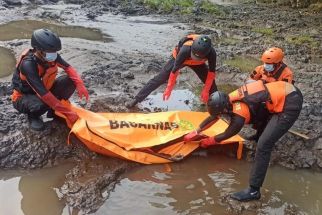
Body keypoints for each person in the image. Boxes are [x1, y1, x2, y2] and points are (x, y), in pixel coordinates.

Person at [184, 80, 303, 201]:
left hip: (290, 102)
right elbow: (214, 116)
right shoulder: (227, 99)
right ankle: (259, 135)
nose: (220, 116)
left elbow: (227, 134)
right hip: (281, 90)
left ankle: (254, 191)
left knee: (263, 146)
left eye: (221, 114)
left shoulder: (240, 115)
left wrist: (208, 142)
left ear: (224, 110)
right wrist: (196, 131)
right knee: (260, 114)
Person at [11, 28, 89, 131]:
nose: (54, 54)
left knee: (71, 81)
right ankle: (33, 116)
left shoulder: (50, 56)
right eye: (50, 51)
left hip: (44, 89)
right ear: (39, 49)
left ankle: (54, 111)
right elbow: (43, 94)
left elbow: (68, 68)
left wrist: (80, 84)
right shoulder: (28, 64)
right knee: (41, 103)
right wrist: (67, 112)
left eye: (55, 51)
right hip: (24, 96)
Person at [126, 34, 218, 108]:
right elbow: (174, 71)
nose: (195, 58)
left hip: (199, 64)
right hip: (181, 59)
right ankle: (136, 100)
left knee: (211, 86)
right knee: (160, 78)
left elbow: (211, 74)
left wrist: (206, 90)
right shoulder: (185, 49)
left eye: (198, 57)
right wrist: (169, 89)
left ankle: (217, 105)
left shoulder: (211, 53)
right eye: (194, 55)